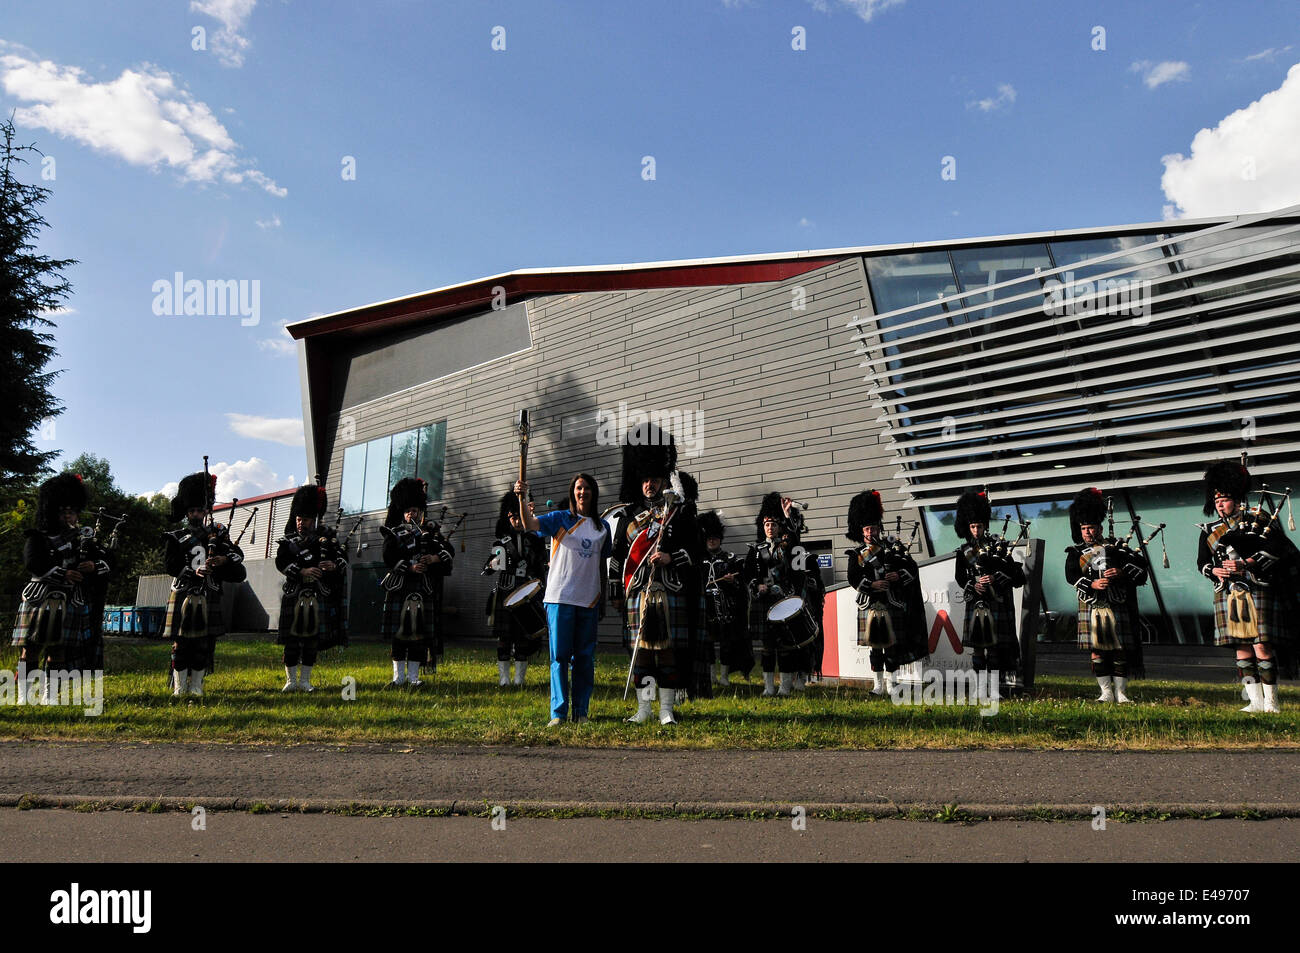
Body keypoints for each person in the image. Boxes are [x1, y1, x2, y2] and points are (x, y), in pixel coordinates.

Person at [607, 424, 704, 724]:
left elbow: (696, 552)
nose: (649, 485)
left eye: (654, 479)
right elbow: (617, 558)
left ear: (664, 480)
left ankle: (666, 710)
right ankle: (643, 710)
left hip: (670, 590)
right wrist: (615, 592)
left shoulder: (681, 513)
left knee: (669, 653)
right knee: (643, 655)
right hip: (638, 592)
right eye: (645, 480)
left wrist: (670, 557)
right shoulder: (628, 516)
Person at [1196, 459, 1297, 713]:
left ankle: (1272, 703)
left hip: (1257, 587)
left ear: (1237, 499)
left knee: (1261, 645)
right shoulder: (1209, 531)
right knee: (1241, 647)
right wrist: (1213, 570)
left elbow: (1278, 548)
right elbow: (1202, 562)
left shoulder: (1258, 519)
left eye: (1225, 500)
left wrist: (1247, 563)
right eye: (1216, 501)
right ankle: (1254, 702)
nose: (1220, 505)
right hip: (1228, 593)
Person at [515, 473, 611, 726]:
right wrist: (521, 497)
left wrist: (604, 596)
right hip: (560, 597)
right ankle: (558, 713)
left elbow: (602, 563)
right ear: (573, 492)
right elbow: (529, 524)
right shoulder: (560, 519)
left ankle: (581, 712)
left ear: (594, 493)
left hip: (588, 599)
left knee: (584, 658)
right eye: (579, 488)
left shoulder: (603, 527)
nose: (583, 492)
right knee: (559, 657)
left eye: (587, 488)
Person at [11, 473, 107, 699]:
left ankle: (50, 696)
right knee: (31, 649)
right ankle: (25, 695)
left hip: (69, 599)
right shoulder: (38, 537)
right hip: (39, 597)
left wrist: (93, 566)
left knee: (60, 651)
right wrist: (64, 573)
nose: (67, 515)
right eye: (62, 511)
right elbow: (33, 563)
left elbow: (106, 563)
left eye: (71, 511)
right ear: (53, 511)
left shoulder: (85, 541)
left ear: (77, 513)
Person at [163, 472, 247, 697]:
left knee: (203, 644)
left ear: (207, 510)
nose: (196, 514)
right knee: (181, 644)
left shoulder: (217, 535)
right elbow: (170, 565)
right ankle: (180, 688)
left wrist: (223, 559)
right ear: (186, 512)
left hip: (209, 594)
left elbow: (239, 557)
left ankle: (197, 686)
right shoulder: (176, 537)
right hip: (183, 594)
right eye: (192, 511)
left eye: (200, 510)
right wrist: (193, 570)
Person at [1064, 488, 1146, 704]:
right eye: (1084, 528)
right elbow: (1071, 576)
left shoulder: (1118, 548)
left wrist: (1120, 572)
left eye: (1091, 528)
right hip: (1091, 605)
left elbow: (1140, 571)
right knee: (1097, 649)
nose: (1088, 532)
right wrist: (1092, 583)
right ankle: (1106, 692)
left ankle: (1121, 693)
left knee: (1119, 649)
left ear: (1100, 527)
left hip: (1115, 601)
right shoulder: (1075, 552)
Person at [844, 490, 928, 696]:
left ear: (878, 528)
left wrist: (898, 575)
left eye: (873, 528)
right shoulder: (856, 555)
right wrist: (872, 585)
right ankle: (878, 686)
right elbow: (853, 578)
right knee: (874, 648)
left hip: (891, 603)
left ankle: (892, 684)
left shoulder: (893, 549)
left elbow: (912, 569)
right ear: (861, 531)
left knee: (891, 646)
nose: (871, 532)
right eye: (867, 528)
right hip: (870, 604)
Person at [379, 477, 452, 689]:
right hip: (400, 587)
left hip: (422, 589)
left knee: (418, 635)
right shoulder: (393, 533)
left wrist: (433, 559)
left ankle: (413, 678)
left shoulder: (431, 534)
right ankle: (398, 678)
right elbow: (388, 557)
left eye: (416, 510)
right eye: (409, 510)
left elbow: (449, 553)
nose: (412, 514)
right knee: (399, 634)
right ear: (402, 512)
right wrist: (409, 567)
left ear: (421, 512)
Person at [744, 492, 815, 697]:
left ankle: (784, 687)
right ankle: (768, 687)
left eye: (774, 524)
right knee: (767, 647)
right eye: (767, 524)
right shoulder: (755, 550)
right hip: (764, 601)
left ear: (778, 526)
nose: (770, 527)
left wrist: (787, 516)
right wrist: (757, 586)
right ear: (763, 527)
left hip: (784, 600)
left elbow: (796, 544)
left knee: (785, 645)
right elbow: (748, 573)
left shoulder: (788, 547)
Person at [953, 489, 1025, 690]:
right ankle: (979, 688)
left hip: (995, 603)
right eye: (973, 526)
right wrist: (973, 585)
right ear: (968, 527)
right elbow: (959, 577)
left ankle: (994, 689)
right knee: (978, 649)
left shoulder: (998, 547)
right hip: (976, 602)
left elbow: (1017, 576)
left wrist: (995, 577)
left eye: (979, 526)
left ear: (985, 526)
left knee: (994, 650)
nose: (976, 530)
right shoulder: (964, 551)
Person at [275, 484, 344, 692]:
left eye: (304, 520)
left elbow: (342, 559)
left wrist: (332, 565)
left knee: (311, 639)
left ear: (314, 519)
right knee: (292, 639)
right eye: (298, 519)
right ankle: (290, 681)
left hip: (317, 593)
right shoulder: (288, 541)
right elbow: (281, 562)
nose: (300, 523)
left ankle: (305, 681)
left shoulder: (328, 539)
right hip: (295, 593)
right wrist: (302, 571)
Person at [482, 488, 548, 686]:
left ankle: (519, 679)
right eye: (513, 517)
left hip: (527, 592)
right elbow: (488, 569)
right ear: (507, 517)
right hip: (506, 592)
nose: (517, 521)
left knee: (523, 638)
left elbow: (540, 567)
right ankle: (504, 679)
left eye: (519, 517)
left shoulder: (535, 540)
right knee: (504, 637)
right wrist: (492, 564)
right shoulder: (501, 543)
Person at [699, 510, 753, 686]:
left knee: (726, 643)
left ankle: (724, 677)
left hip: (725, 607)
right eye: (709, 538)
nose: (712, 540)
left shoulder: (731, 558)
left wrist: (732, 581)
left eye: (715, 537)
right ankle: (711, 676)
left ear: (720, 539)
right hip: (705, 606)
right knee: (706, 644)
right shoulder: (698, 560)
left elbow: (741, 584)